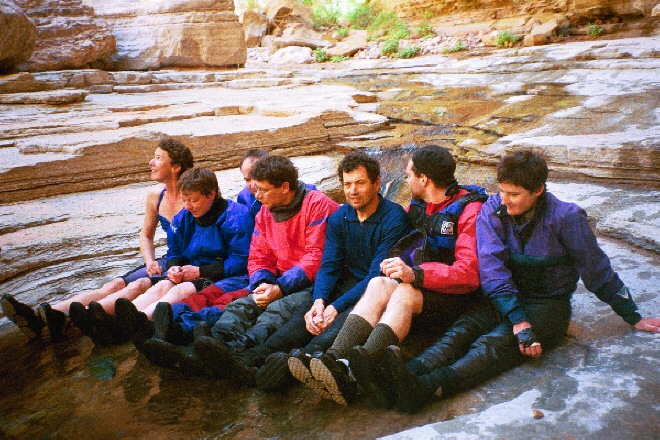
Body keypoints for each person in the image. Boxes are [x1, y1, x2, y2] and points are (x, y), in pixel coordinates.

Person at [375, 149, 660, 413]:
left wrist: (632, 315)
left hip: (547, 304)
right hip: (503, 295)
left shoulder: (567, 217)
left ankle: (429, 388)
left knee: (493, 344)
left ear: (538, 190)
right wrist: (515, 315)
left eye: (514, 194)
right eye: (501, 191)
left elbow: (597, 271)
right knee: (464, 329)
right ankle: (406, 374)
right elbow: (492, 267)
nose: (504, 200)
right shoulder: (492, 209)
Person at [190, 151, 412, 390]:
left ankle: (278, 369)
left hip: (375, 290)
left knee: (333, 329)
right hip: (344, 283)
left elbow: (373, 276)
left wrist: (334, 308)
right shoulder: (340, 216)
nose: (353, 191)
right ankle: (244, 360)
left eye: (360, 183)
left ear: (376, 183)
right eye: (347, 184)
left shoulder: (394, 218)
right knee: (302, 319)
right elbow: (329, 265)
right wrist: (319, 301)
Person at [305, 145, 489, 406]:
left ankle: (360, 367)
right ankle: (335, 358)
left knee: (402, 291)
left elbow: (469, 275)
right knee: (380, 281)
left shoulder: (469, 210)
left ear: (423, 178)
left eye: (409, 174)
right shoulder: (420, 205)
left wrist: (415, 274)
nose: (405, 178)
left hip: (456, 297)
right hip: (425, 287)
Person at [139, 155, 339, 376]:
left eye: (263, 189)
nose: (256, 194)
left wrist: (280, 287)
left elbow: (315, 257)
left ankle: (236, 352)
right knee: (239, 306)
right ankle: (207, 344)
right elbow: (258, 256)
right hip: (277, 279)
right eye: (256, 189)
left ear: (284, 187)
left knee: (275, 313)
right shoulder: (265, 211)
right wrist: (263, 281)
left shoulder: (317, 204)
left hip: (312, 282)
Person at [1, 138, 193, 342]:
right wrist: (149, 260)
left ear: (175, 167)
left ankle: (72, 319)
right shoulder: (156, 196)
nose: (150, 162)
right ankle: (46, 313)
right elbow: (146, 235)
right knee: (113, 285)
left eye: (157, 158)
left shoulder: (193, 196)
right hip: (165, 261)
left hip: (184, 264)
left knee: (136, 287)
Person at [88, 167, 254, 345]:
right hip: (190, 270)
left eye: (193, 200)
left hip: (221, 274)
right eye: (184, 200)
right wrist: (173, 266)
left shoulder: (236, 216)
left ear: (211, 194)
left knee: (180, 290)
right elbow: (174, 250)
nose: (188, 206)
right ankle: (121, 321)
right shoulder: (184, 217)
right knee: (162, 286)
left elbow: (241, 261)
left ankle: (141, 321)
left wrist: (200, 271)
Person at [236, 148, 269, 218]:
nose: (253, 185)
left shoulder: (281, 191)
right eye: (248, 180)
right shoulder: (243, 198)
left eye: (257, 177)